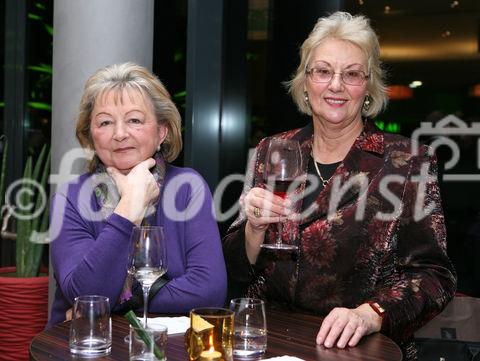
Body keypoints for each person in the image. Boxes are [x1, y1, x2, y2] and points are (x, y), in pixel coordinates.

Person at [223, 12, 456, 360]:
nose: (336, 85)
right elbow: (235, 267)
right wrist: (253, 229)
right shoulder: (273, 150)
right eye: (323, 71)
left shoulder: (407, 160)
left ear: (368, 86)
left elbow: (435, 276)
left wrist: (371, 315)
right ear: (305, 81)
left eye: (351, 74)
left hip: (357, 349)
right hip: (267, 342)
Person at [48, 62, 226, 326]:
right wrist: (130, 208)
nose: (120, 134)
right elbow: (84, 294)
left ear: (161, 132)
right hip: (85, 346)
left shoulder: (188, 187)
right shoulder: (70, 199)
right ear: (91, 136)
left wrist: (116, 301)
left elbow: (210, 292)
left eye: (134, 120)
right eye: (105, 122)